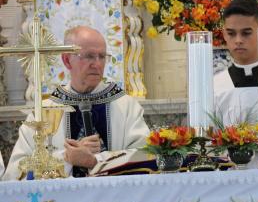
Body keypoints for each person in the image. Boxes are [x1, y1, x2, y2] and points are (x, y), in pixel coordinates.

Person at [3, 26, 150, 180]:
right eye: (89, 56)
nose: (97, 64)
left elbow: (145, 156)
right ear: (67, 60)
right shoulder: (44, 112)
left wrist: (95, 161)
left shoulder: (126, 106)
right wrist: (67, 158)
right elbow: (15, 174)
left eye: (102, 56)